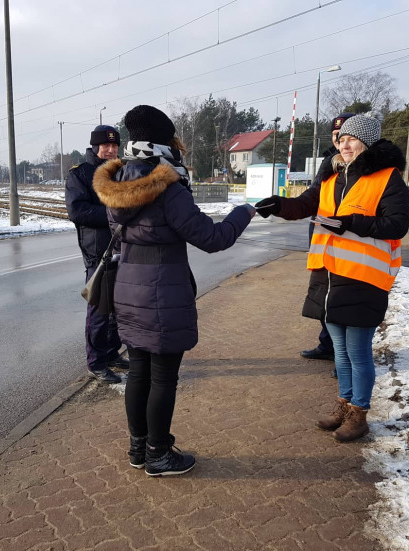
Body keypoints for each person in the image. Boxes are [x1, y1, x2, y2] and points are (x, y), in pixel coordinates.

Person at [93, 105, 256, 476]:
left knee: (139, 372)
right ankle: (159, 454)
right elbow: (212, 238)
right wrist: (243, 212)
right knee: (163, 376)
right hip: (162, 291)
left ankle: (138, 449)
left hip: (129, 286)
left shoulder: (117, 180)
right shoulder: (167, 186)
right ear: (164, 142)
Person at [255, 115, 409, 442]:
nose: (344, 144)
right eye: (341, 139)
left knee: (357, 351)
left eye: (351, 139)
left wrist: (351, 222)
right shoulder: (330, 176)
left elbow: (396, 225)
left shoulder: (388, 178)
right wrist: (278, 205)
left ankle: (360, 413)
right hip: (330, 277)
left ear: (366, 141)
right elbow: (305, 205)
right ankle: (344, 403)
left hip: (364, 278)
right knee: (339, 350)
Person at [65, 125, 129, 385]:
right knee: (99, 310)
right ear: (94, 146)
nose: (111, 150)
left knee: (118, 310)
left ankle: (112, 353)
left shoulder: (122, 171)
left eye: (114, 146)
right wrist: (115, 215)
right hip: (98, 252)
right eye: (105, 146)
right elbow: (77, 212)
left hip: (124, 248)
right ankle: (96, 362)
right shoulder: (80, 175)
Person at [301, 113, 354, 369]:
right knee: (323, 300)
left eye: (346, 137)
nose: (340, 142)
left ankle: (344, 359)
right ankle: (327, 346)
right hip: (323, 245)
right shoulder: (328, 163)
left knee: (345, 306)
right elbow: (312, 198)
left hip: (351, 251)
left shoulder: (369, 169)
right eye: (336, 137)